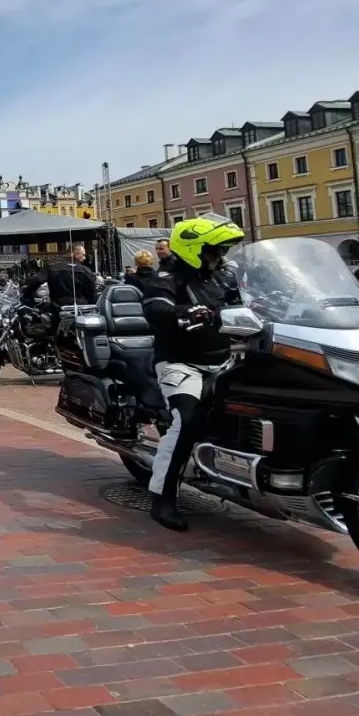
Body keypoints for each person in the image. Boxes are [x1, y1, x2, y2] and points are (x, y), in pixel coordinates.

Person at [140, 216, 245, 532]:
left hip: (227, 359)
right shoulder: (166, 277)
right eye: (213, 250)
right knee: (188, 420)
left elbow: (248, 301)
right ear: (193, 249)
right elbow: (156, 307)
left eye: (221, 251)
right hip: (181, 363)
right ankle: (163, 498)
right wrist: (179, 311)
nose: (219, 256)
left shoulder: (222, 277)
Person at [22, 244, 97, 310]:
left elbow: (36, 280)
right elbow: (92, 293)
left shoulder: (52, 267)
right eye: (83, 255)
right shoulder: (86, 271)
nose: (85, 258)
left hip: (58, 307)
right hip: (81, 308)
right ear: (75, 254)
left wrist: (26, 295)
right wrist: (92, 307)